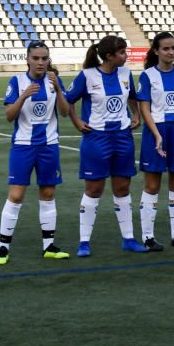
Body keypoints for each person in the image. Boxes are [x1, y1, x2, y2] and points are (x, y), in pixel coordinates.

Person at [65, 34, 147, 256]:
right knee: (94, 189)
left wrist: (136, 114)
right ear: (109, 56)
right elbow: (67, 100)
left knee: (122, 188)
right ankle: (84, 242)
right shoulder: (87, 76)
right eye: (121, 53)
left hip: (122, 137)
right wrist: (77, 121)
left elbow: (131, 95)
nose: (125, 56)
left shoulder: (126, 73)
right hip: (96, 138)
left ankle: (128, 239)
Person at [0, 40, 73, 265]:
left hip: (49, 145)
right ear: (27, 59)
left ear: (49, 60)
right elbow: (9, 115)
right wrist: (23, 96)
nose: (40, 62)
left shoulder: (53, 81)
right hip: (23, 146)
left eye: (44, 58)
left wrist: (58, 88)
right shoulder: (17, 81)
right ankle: (3, 248)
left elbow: (65, 112)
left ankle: (49, 246)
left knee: (48, 194)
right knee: (16, 195)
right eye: (36, 58)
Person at [137, 32, 174, 250]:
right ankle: (147, 237)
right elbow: (144, 108)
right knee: (152, 185)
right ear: (156, 51)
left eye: (173, 48)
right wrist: (157, 134)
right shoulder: (148, 76)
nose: (171, 52)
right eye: (166, 49)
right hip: (156, 133)